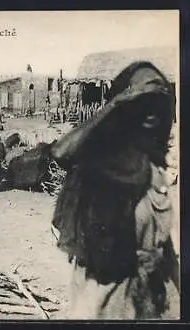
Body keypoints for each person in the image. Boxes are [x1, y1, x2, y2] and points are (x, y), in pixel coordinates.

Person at [50, 61, 180, 319]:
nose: (150, 111)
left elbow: (164, 246)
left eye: (157, 104)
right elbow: (61, 152)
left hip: (149, 296)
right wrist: (116, 104)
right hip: (104, 293)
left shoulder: (155, 166)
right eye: (142, 104)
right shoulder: (104, 157)